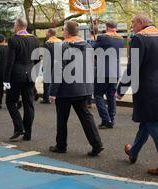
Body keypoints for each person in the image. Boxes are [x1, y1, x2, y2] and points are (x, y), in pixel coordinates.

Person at [117, 13, 158, 177]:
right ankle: (133, 152)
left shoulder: (139, 38)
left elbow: (132, 67)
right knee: (146, 123)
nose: (131, 26)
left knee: (153, 124)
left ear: (141, 23)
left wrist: (121, 90)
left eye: (133, 23)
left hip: (145, 89)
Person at [49, 20, 104, 157]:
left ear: (66, 31)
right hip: (83, 87)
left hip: (66, 89)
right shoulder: (88, 46)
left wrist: (52, 92)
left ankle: (61, 145)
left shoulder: (61, 47)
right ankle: (97, 144)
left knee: (62, 118)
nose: (62, 31)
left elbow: (58, 70)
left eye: (63, 29)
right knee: (86, 117)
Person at [4, 17, 40, 141]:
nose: (14, 26)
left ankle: (19, 127)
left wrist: (6, 80)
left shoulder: (14, 40)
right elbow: (37, 59)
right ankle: (28, 133)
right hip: (30, 73)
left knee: (10, 101)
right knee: (28, 104)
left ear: (18, 25)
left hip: (16, 75)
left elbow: (10, 61)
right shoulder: (35, 39)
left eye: (14, 24)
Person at [93, 20, 124, 129]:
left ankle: (106, 120)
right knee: (111, 96)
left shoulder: (103, 38)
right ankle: (111, 119)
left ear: (107, 27)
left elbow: (94, 48)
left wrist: (94, 36)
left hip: (103, 71)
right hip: (115, 72)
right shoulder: (120, 39)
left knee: (98, 95)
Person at [41, 28, 62, 104]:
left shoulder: (47, 43)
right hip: (58, 64)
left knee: (46, 82)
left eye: (47, 33)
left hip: (49, 64)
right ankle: (56, 96)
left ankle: (46, 98)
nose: (46, 34)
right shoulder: (60, 42)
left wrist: (43, 66)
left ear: (50, 34)